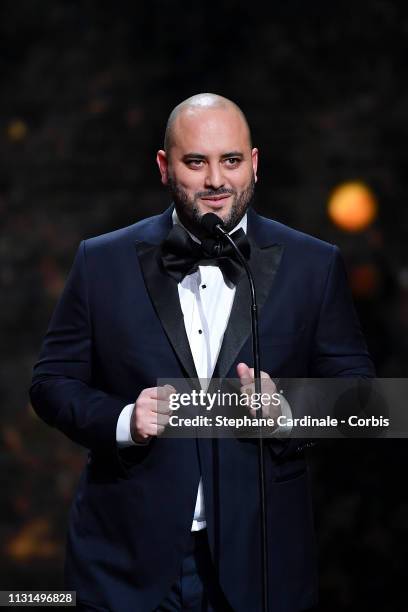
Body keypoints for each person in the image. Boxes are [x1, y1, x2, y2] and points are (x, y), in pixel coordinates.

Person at [30, 93, 375, 612]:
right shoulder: (101, 261)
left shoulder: (314, 264)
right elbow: (50, 383)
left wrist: (288, 410)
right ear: (165, 167)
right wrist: (124, 419)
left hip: (260, 560)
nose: (217, 180)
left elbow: (362, 396)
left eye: (231, 160)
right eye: (197, 162)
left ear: (253, 164)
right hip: (123, 562)